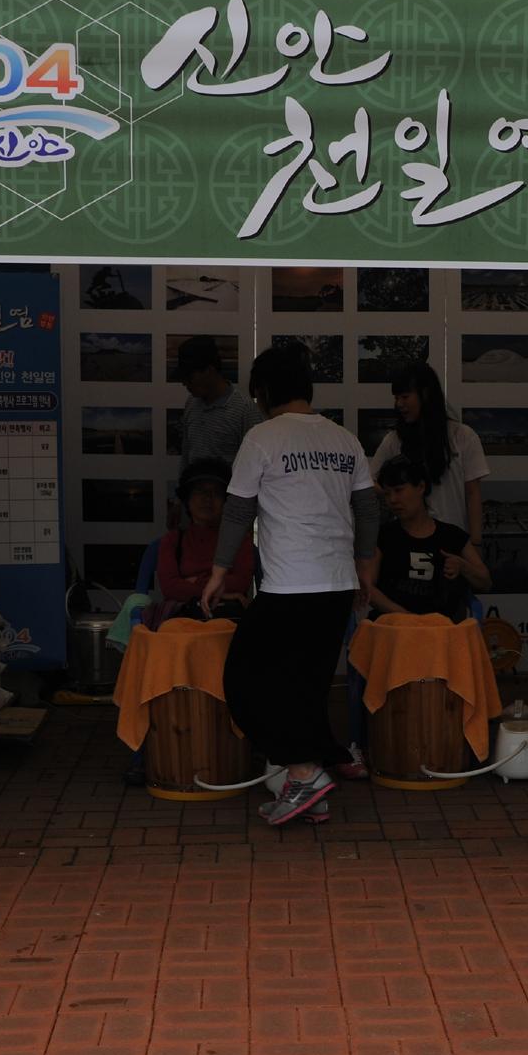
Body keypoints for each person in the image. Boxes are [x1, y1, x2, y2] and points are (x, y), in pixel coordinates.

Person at [206, 344, 379, 826]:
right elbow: (367, 508)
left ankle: (305, 771)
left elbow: (239, 509)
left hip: (289, 587)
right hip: (337, 585)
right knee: (305, 688)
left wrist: (220, 571)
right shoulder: (343, 439)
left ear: (261, 391)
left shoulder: (263, 437)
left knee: (244, 681)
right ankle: (309, 793)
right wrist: (364, 565)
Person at [370, 361, 488, 540]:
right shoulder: (394, 440)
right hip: (408, 542)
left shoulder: (462, 435)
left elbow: (473, 494)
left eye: (405, 396)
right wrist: (395, 492)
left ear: (425, 394)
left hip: (453, 541)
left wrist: (476, 543)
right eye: (396, 398)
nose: (399, 404)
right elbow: (368, 481)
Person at [370, 457, 489, 622]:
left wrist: (463, 566)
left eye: (399, 490)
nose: (392, 500)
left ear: (421, 487)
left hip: (440, 630)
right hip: (394, 628)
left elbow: (485, 581)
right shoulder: (383, 535)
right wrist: (407, 618)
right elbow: (367, 587)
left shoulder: (452, 535)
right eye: (387, 493)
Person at [147, 458, 254, 628]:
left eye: (216, 492)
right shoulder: (172, 540)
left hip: (227, 622)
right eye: (199, 491)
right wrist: (220, 589)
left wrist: (195, 582)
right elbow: (170, 587)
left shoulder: (240, 540)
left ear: (226, 501)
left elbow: (241, 582)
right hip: (181, 622)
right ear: (187, 499)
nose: (208, 499)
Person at [176, 335, 265, 472]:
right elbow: (186, 456)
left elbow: (255, 466)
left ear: (209, 371)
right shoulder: (191, 403)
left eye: (189, 377)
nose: (184, 383)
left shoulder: (244, 410)